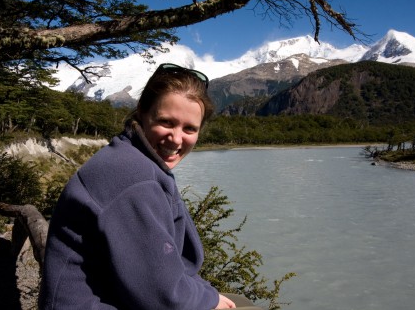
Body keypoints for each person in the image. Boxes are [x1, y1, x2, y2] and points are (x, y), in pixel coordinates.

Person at [39, 63, 261, 310]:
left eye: (189, 128)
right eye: (166, 122)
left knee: (237, 302)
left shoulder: (130, 156)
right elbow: (163, 295)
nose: (176, 138)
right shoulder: (133, 175)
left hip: (105, 297)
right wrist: (208, 298)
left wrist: (204, 294)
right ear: (142, 113)